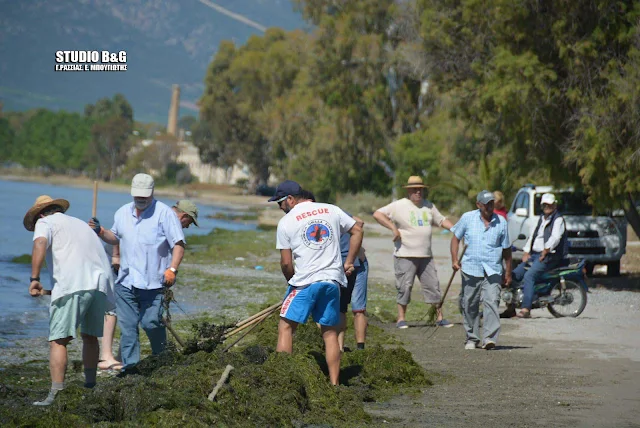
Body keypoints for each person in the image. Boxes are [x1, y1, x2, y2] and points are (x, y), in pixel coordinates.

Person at [23, 195, 115, 406]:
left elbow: (39, 243)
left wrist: (34, 279)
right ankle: (90, 386)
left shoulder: (44, 222)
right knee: (90, 336)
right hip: (100, 285)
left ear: (40, 214)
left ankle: (56, 394)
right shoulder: (80, 224)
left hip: (73, 285)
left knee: (58, 340)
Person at [89, 173, 186, 371]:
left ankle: (162, 360)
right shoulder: (123, 212)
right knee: (128, 329)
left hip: (156, 283)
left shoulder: (164, 213)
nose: (140, 200)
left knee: (151, 323)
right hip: (126, 282)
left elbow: (178, 244)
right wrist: (100, 231)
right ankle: (131, 368)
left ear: (152, 193)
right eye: (137, 196)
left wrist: (172, 269)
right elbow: (114, 237)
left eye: (144, 196)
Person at [271, 180, 363, 385]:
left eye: (280, 203)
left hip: (305, 283)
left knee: (286, 327)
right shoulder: (332, 210)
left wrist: (292, 283)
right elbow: (358, 229)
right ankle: (334, 383)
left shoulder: (286, 222)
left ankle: (282, 380)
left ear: (291, 200)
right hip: (332, 282)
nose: (280, 208)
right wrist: (348, 262)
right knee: (330, 333)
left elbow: (286, 263)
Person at [373, 176, 455, 329]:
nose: (418, 192)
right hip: (405, 254)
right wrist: (393, 228)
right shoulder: (399, 205)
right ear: (408, 190)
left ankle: (439, 317)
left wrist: (455, 229)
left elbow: (441, 220)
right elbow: (378, 214)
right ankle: (401, 318)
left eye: (420, 189)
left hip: (426, 255)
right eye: (415, 189)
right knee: (404, 286)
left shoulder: (429, 206)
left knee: (433, 286)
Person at [297, 190, 369, 352]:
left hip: (343, 265)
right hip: (344, 264)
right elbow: (360, 223)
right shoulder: (332, 213)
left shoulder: (328, 214)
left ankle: (336, 347)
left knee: (333, 307)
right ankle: (337, 347)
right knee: (340, 308)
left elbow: (359, 225)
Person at [450, 190, 512, 350]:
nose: (489, 207)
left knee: (492, 301)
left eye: (491, 203)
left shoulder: (502, 222)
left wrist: (508, 272)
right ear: (478, 205)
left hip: (493, 269)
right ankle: (472, 337)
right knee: (469, 303)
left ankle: (489, 338)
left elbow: (507, 250)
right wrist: (455, 260)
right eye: (486, 204)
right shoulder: (467, 218)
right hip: (470, 268)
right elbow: (455, 239)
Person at [508, 193, 568, 319]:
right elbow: (532, 237)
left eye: (550, 204)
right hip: (535, 255)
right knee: (514, 275)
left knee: (530, 276)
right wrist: (526, 251)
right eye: (545, 204)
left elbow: (555, 237)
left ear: (555, 204)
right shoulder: (540, 219)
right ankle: (511, 307)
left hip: (549, 256)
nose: (547, 207)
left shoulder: (558, 220)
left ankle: (526, 308)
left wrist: (546, 250)